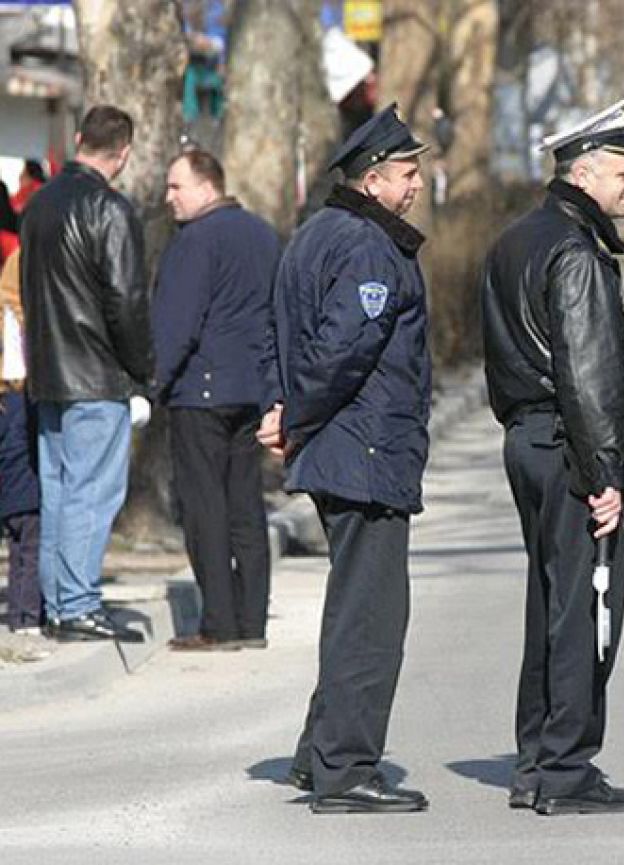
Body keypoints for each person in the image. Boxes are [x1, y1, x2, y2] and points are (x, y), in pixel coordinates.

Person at [258, 104, 432, 814]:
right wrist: (294, 416)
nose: (417, 183)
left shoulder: (315, 234)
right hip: (364, 450)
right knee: (372, 618)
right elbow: (341, 350)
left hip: (344, 448)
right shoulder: (366, 247)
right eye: (408, 173)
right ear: (372, 181)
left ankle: (318, 752)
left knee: (354, 606)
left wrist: (283, 410)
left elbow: (283, 339)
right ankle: (344, 769)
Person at [481, 99, 624, 816]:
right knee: (584, 605)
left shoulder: (517, 238)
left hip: (529, 437)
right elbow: (585, 371)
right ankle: (565, 766)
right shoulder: (575, 251)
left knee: (550, 602)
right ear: (582, 171)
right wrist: (601, 471)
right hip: (567, 441)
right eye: (622, 172)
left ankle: (535, 760)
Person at [20, 105, 150, 643]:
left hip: (48, 370)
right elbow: (126, 301)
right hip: (95, 373)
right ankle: (77, 604)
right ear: (122, 154)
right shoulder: (109, 209)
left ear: (77, 139)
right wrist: (144, 371)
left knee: (58, 491)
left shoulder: (38, 205)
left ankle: (58, 603)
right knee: (92, 494)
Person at [153, 149, 277, 652]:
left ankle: (219, 624)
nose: (168, 198)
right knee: (246, 508)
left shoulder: (194, 242)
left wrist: (153, 385)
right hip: (249, 392)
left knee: (205, 511)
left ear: (207, 187)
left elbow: (176, 325)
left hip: (200, 393)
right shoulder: (264, 236)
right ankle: (251, 621)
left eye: (175, 187)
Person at [0, 244, 40, 636]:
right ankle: (27, 614)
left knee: (19, 533)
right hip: (19, 404)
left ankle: (20, 612)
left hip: (12, 407)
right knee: (30, 529)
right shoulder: (16, 323)